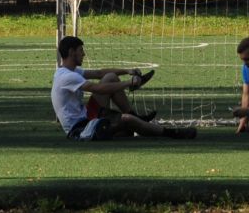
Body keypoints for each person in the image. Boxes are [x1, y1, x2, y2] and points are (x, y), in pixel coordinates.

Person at [51, 35, 195, 140]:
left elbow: (99, 73)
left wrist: (127, 71)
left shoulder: (71, 71)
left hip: (87, 115)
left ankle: (134, 117)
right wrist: (128, 83)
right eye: (81, 50)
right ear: (71, 52)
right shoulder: (66, 76)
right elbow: (98, 89)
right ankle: (172, 133)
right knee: (126, 120)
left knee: (110, 77)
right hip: (79, 128)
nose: (84, 54)